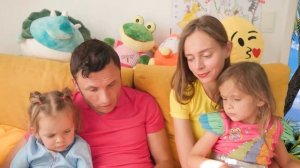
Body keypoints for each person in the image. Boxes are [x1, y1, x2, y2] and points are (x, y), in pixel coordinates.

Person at [70, 39, 176, 168]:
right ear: (75, 84)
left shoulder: (143, 104)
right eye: (93, 89)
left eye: (111, 84)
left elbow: (165, 161)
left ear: (120, 75)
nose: (106, 99)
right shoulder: (66, 112)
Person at [188, 62, 300, 168]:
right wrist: (217, 166)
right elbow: (192, 158)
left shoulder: (273, 127)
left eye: (236, 99)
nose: (228, 106)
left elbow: (286, 163)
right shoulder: (222, 122)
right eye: (224, 98)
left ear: (260, 99)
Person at [170, 15, 232, 167]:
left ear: (227, 49)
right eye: (190, 58)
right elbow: (187, 163)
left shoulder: (246, 86)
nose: (198, 66)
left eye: (206, 55)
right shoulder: (183, 93)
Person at [10, 88, 93, 168]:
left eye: (67, 131)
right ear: (35, 132)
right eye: (51, 135)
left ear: (74, 125)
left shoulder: (80, 148)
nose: (60, 140)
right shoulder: (31, 147)